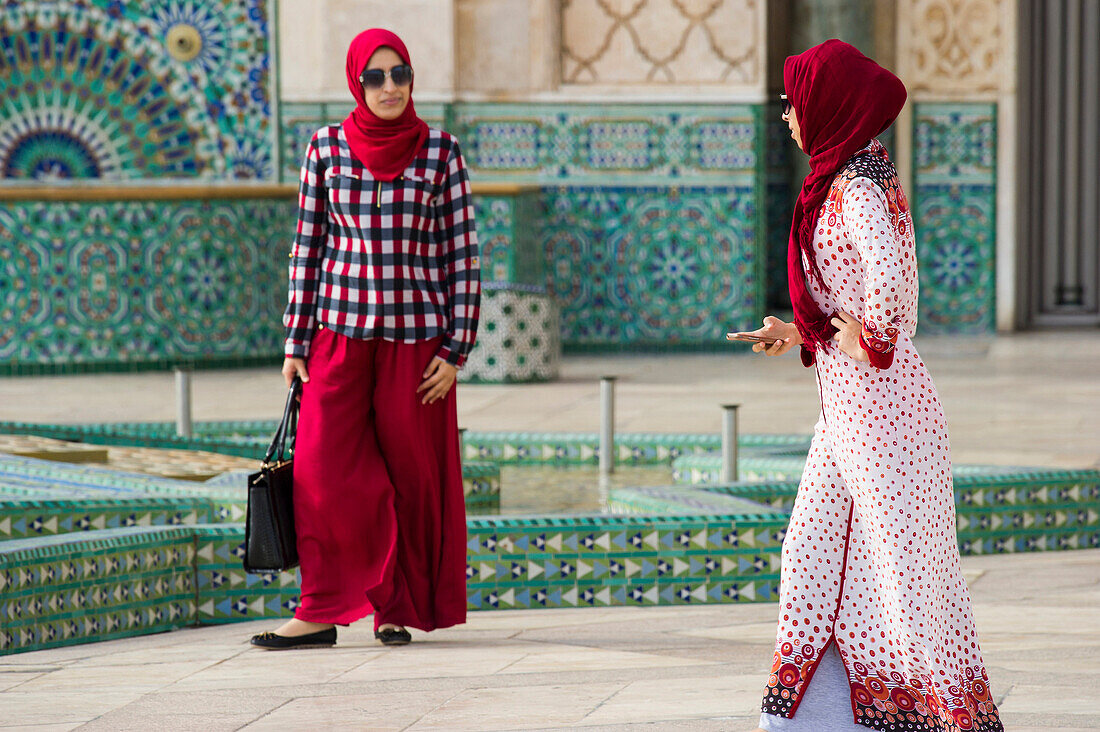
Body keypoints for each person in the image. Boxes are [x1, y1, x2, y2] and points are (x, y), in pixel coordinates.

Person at [740, 41, 1003, 731]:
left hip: (884, 418)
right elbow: (855, 292)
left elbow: (892, 286)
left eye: (794, 100)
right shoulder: (845, 175)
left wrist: (864, 338)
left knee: (906, 582)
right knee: (811, 555)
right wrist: (804, 332)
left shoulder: (857, 184)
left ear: (827, 105)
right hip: (849, 417)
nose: (789, 114)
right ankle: (809, 719)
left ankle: (947, 721)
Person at [250, 28, 480, 650]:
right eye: (375, 76)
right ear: (356, 82)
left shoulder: (440, 152)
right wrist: (296, 340)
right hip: (338, 337)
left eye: (399, 73)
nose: (388, 87)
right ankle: (320, 609)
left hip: (416, 345)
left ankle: (393, 608)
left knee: (411, 477)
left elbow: (462, 254)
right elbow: (308, 248)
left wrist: (456, 350)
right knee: (320, 473)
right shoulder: (324, 148)